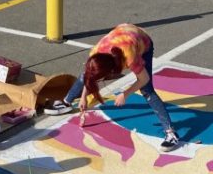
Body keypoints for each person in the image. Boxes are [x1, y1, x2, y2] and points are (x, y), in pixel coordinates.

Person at [49, 23, 181, 152]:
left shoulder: (130, 57)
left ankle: (171, 134)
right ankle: (67, 102)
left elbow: (144, 79)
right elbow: (89, 76)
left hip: (141, 40)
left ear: (111, 72)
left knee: (147, 90)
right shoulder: (95, 53)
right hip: (124, 33)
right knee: (86, 74)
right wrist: (83, 97)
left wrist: (125, 94)